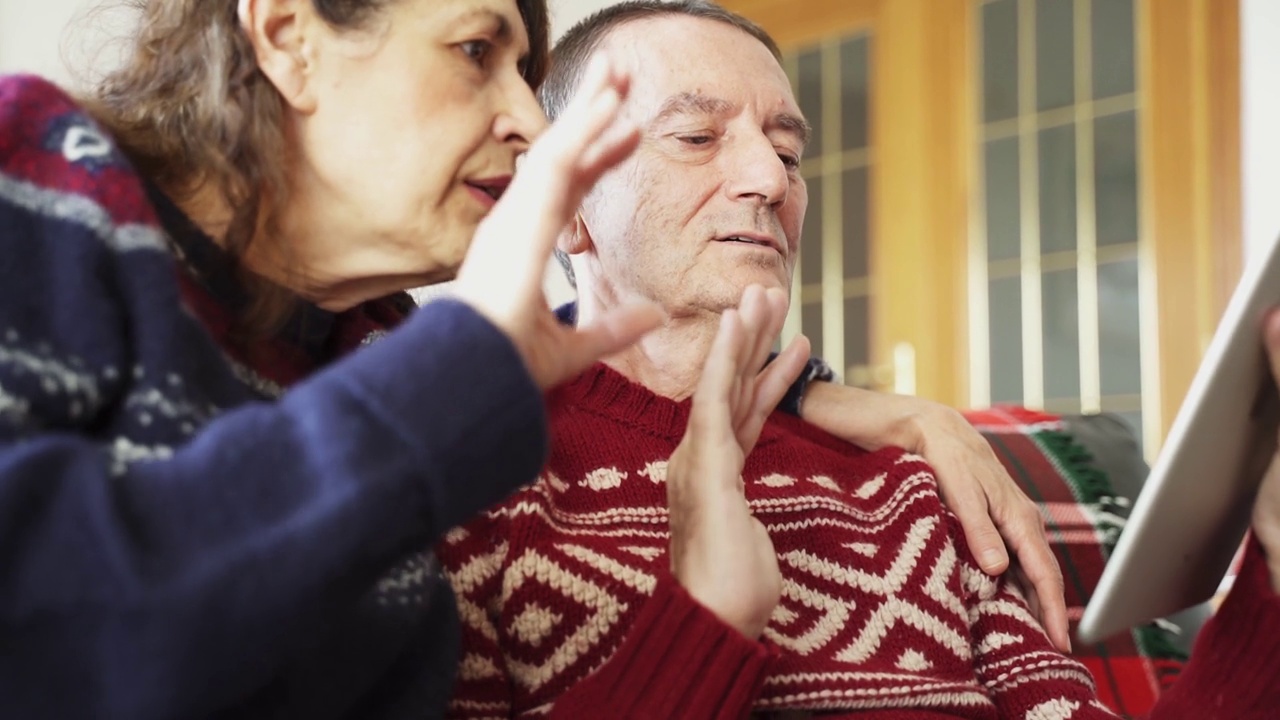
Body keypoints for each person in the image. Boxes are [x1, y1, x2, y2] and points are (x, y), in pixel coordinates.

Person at [0, 0, 1062, 718]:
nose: (523, 118)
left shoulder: (365, 356)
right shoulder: (35, 186)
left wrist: (848, 404)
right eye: (476, 51)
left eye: (790, 152)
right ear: (288, 34)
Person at [438, 2, 1280, 718]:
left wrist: (1274, 578)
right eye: (697, 137)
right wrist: (702, 624)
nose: (770, 178)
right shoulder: (470, 482)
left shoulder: (907, 483)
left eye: (789, 150)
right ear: (569, 207)